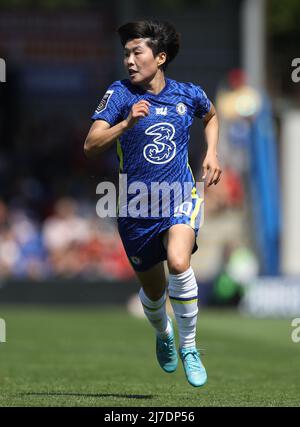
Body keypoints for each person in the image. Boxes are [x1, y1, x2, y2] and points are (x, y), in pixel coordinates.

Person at [84, 20, 221, 387]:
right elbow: (91, 143)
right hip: (136, 208)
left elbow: (211, 115)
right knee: (155, 291)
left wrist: (212, 154)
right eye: (126, 53)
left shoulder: (187, 94)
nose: (129, 60)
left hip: (180, 197)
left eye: (136, 52)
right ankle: (164, 334)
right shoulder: (119, 94)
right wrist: (125, 124)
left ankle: (190, 347)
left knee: (179, 262)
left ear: (159, 58)